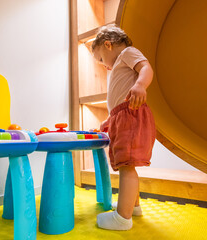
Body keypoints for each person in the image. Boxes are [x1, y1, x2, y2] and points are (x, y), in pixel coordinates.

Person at [91, 24, 156, 231]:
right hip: (122, 116)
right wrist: (110, 121)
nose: (104, 66)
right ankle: (133, 206)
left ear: (108, 45)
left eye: (101, 59)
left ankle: (122, 218)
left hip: (131, 115)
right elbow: (118, 100)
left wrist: (140, 85)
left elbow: (146, 68)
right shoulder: (120, 62)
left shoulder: (128, 53)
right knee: (128, 164)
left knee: (127, 166)